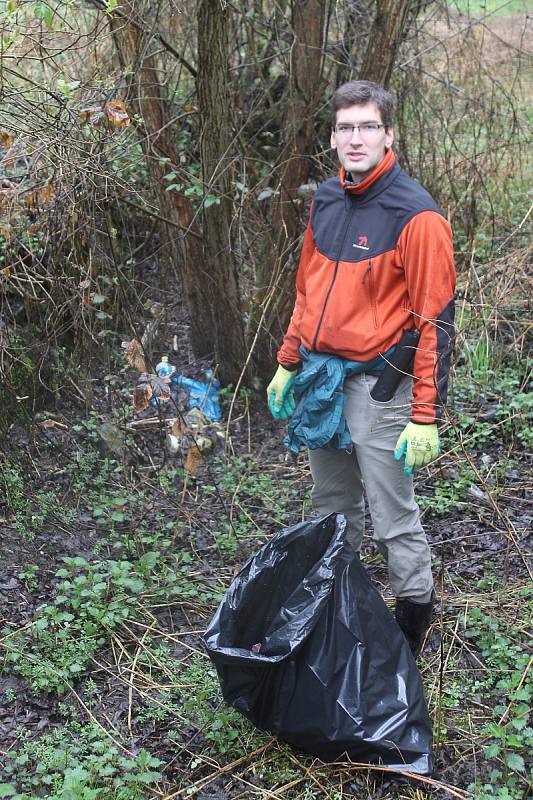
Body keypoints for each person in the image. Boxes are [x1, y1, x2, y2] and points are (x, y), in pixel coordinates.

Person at [266, 80, 456, 658]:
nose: (356, 138)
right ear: (331, 137)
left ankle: (407, 641)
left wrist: (425, 415)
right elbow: (308, 291)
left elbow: (435, 321)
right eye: (345, 127)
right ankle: (337, 617)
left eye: (368, 127)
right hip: (323, 380)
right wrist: (287, 362)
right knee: (332, 508)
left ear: (389, 135)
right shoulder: (326, 199)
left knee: (392, 516)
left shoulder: (416, 215)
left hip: (381, 387)